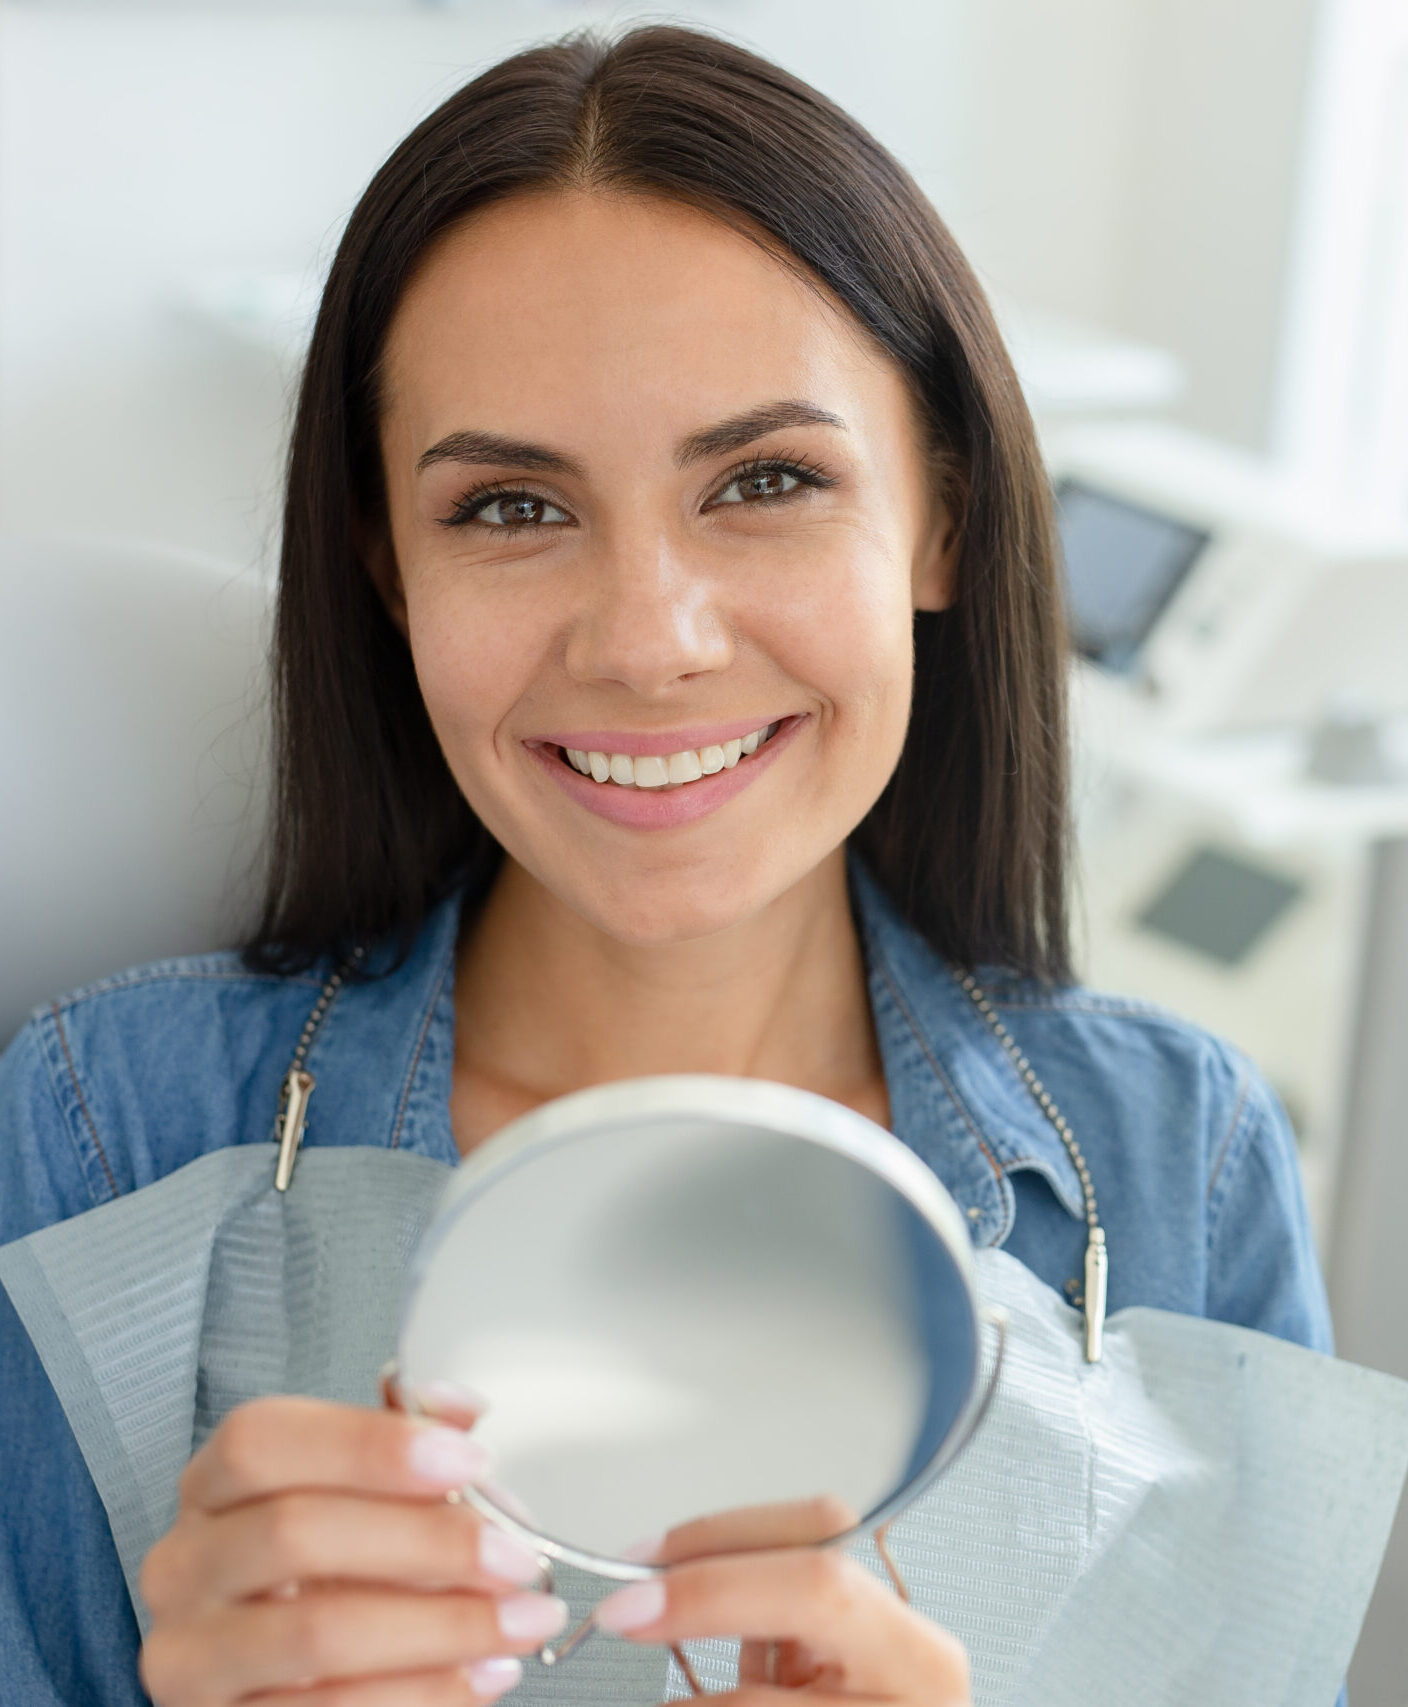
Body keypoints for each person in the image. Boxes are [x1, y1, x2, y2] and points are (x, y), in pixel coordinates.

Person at [0, 23, 1334, 1707]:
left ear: (941, 509)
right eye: (507, 507)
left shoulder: (1180, 1169)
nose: (650, 643)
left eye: (766, 481)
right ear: (386, 563)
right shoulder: (98, 1128)